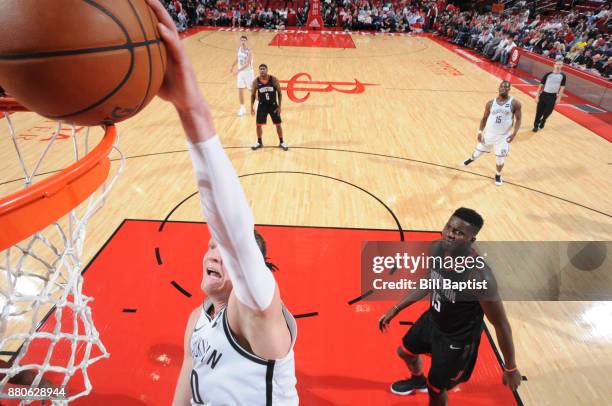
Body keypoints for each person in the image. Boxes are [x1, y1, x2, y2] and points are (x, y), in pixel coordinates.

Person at [145, 1, 298, 405]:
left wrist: (191, 108)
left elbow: (235, 234)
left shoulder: (257, 313)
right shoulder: (197, 319)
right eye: (211, 246)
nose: (215, 251)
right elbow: (186, 383)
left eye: (222, 249)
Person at [379, 208, 522, 405]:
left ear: (471, 240)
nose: (449, 234)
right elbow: (430, 280)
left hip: (457, 339)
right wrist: (396, 308)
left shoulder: (479, 276)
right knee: (405, 352)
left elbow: (501, 324)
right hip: (432, 320)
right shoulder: (436, 248)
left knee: (436, 389)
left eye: (459, 232)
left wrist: (511, 368)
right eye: (449, 227)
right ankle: (417, 379)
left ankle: (427, 384)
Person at [462, 81, 522, 186]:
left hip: (503, 137)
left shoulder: (515, 103)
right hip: (489, 134)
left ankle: (498, 174)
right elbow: (484, 118)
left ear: (509, 89)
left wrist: (514, 133)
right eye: (502, 86)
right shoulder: (490, 103)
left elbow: (518, 119)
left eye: (506, 87)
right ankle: (471, 159)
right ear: (499, 88)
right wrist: (480, 132)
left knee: (500, 159)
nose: (504, 88)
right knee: (477, 153)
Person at [250, 64, 288, 151]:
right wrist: (251, 107)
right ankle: (259, 142)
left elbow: (279, 93)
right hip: (262, 106)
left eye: (263, 69)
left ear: (267, 70)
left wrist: (279, 106)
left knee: (278, 124)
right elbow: (252, 95)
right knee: (258, 125)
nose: (262, 70)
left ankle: (282, 142)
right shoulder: (256, 81)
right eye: (260, 69)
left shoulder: (273, 80)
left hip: (273, 105)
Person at [533, 58, 566, 132]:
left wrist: (559, 98)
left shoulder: (563, 76)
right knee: (539, 112)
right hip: (544, 95)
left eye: (560, 64)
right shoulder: (548, 74)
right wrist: (537, 96)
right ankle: (535, 125)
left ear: (562, 66)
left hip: (553, 96)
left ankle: (543, 120)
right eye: (557, 64)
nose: (558, 66)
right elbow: (540, 86)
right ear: (554, 65)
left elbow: (562, 88)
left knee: (548, 112)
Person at [230, 36, 254, 117]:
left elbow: (247, 64)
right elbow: (237, 59)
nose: (243, 41)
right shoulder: (239, 49)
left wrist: (238, 71)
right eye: (242, 40)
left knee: (251, 90)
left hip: (248, 73)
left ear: (247, 41)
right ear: (240, 41)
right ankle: (242, 108)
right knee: (240, 89)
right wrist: (232, 66)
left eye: (244, 40)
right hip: (241, 73)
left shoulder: (249, 51)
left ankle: (258, 104)